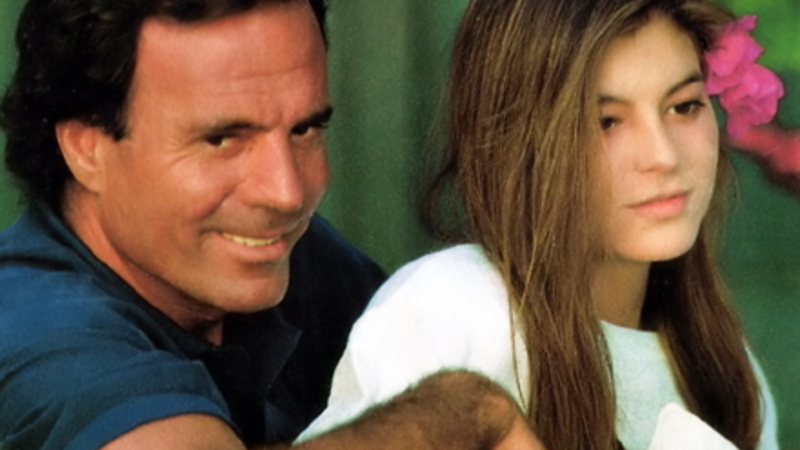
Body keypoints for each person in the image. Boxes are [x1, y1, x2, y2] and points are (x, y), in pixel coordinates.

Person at [0, 0, 543, 449]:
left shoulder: (283, 255)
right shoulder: (37, 332)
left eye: (305, 130)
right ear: (86, 148)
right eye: (221, 139)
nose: (287, 193)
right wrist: (466, 412)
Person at [298, 0, 781, 449]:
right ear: (518, 142)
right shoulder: (454, 310)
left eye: (684, 106)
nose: (663, 155)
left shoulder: (729, 370)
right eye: (606, 121)